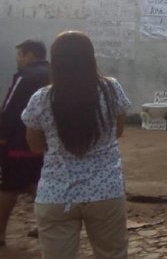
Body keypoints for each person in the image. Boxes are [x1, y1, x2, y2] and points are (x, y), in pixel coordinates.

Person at [21, 31, 130, 259]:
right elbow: (117, 131)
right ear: (91, 57)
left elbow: (34, 146)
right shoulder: (111, 90)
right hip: (105, 191)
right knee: (113, 254)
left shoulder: (41, 99)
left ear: (55, 61)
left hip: (56, 194)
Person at [0, 40, 50, 246]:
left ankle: (0, 233)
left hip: (19, 142)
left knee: (9, 187)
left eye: (20, 55)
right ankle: (45, 227)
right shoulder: (56, 74)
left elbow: (10, 109)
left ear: (30, 55)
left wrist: (2, 137)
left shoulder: (24, 77)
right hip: (48, 142)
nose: (18, 60)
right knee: (38, 184)